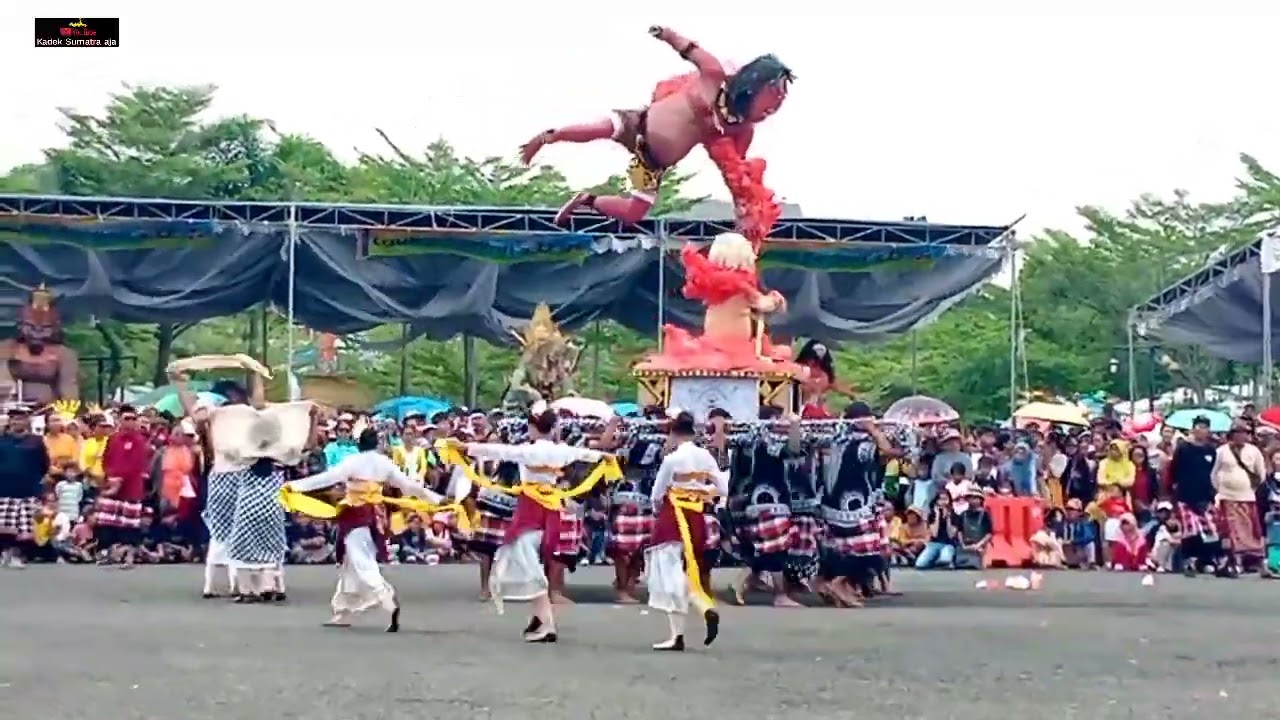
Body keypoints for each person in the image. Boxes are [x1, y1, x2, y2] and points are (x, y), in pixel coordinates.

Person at [520, 26, 793, 228]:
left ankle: (587, 200)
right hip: (636, 123)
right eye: (770, 99)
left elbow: (734, 172)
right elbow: (688, 49)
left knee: (632, 214)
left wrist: (744, 210)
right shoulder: (713, 76)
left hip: (652, 163)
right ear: (751, 85)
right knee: (601, 128)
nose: (772, 109)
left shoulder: (740, 131)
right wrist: (665, 33)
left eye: (777, 105)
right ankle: (550, 136)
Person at [455, 408, 609, 643]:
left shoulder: (529, 450)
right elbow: (588, 454)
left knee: (526, 564)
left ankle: (546, 622)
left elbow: (499, 450)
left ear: (534, 427)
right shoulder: (562, 451)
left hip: (531, 511)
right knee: (528, 563)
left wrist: (466, 448)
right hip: (552, 510)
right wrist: (605, 458)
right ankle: (539, 619)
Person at [285, 428, 444, 631]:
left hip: (356, 514)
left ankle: (386, 599)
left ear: (360, 443)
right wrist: (436, 498)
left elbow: (327, 478)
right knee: (351, 564)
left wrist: (295, 486)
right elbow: (411, 486)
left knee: (362, 561)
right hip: (376, 515)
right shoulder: (383, 463)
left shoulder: (354, 462)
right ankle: (341, 610)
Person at [642, 412, 729, 651]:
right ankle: (682, 629)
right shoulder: (706, 457)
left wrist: (659, 507)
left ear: (673, 433)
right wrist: (700, 492)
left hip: (674, 517)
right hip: (696, 517)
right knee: (687, 570)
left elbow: (657, 495)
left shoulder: (672, 459)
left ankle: (697, 612)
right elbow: (722, 487)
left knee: (671, 575)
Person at [0, 405, 52, 568]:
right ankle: (5, 552)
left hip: (29, 490)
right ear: (10, 421)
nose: (18, 422)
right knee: (5, 525)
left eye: (22, 418)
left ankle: (20, 554)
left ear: (27, 421)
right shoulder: (2, 440)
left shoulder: (36, 441)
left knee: (26, 526)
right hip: (4, 489)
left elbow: (44, 465)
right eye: (15, 418)